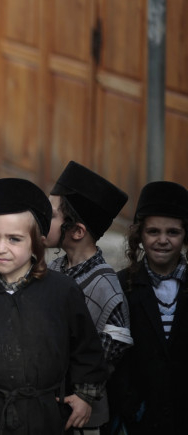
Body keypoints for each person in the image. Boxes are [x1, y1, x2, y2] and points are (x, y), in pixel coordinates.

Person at [0, 178, 108, 434]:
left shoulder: (62, 291)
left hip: (43, 414)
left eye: (14, 239)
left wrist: (85, 396)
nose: (1, 248)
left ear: (37, 240)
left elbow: (86, 349)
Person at [45, 161, 132, 433]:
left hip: (80, 416)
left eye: (51, 215)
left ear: (78, 231)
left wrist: (83, 394)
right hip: (46, 405)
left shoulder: (107, 287)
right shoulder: (53, 269)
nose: (40, 219)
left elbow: (106, 357)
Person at [108, 181, 188, 434]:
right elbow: (116, 359)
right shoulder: (122, 285)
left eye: (173, 232)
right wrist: (132, 407)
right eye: (153, 231)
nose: (162, 240)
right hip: (140, 420)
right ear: (139, 235)